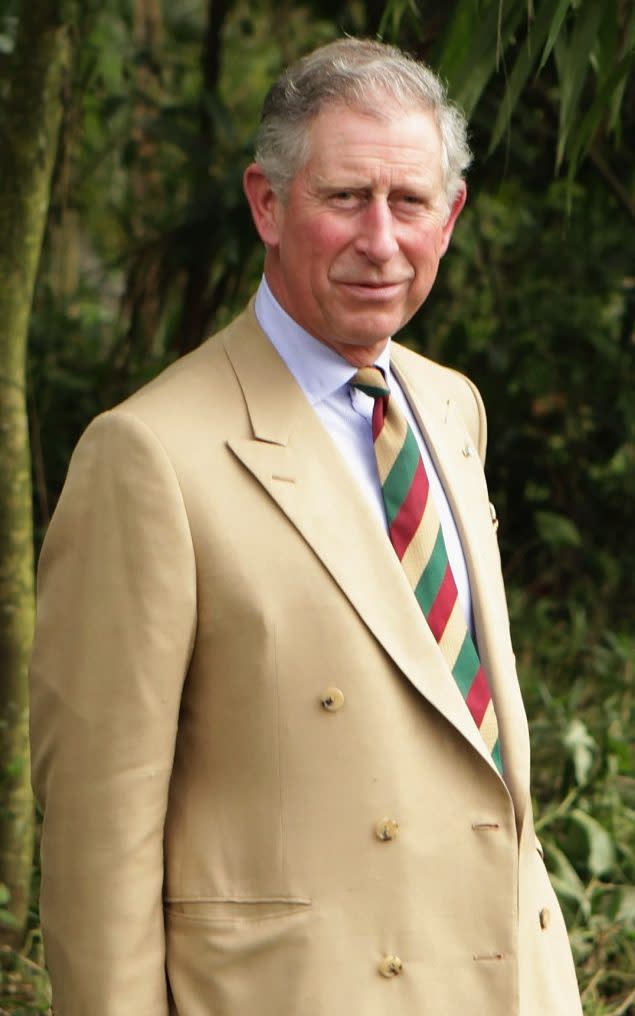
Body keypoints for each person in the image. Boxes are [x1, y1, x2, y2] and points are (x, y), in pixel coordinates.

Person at [29, 37, 583, 1016]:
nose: (381, 239)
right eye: (344, 197)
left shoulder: (448, 409)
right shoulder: (148, 456)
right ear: (266, 204)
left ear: (448, 216)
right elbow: (97, 843)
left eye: (408, 202)